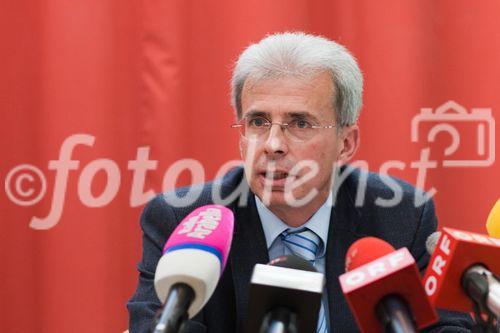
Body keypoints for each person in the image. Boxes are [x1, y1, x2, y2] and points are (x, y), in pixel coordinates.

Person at [127, 32, 472, 332]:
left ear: (346, 143)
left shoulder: (400, 218)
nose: (273, 144)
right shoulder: (186, 222)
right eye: (258, 122)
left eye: (300, 124)